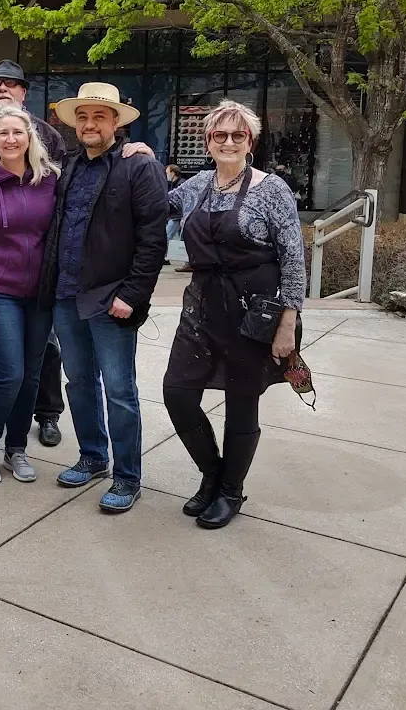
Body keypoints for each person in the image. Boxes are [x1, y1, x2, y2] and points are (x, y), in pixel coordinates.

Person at [164, 99, 305, 529]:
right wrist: (135, 156)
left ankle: (230, 491)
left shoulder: (273, 189)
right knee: (178, 393)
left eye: (237, 135)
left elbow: (294, 261)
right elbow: (149, 206)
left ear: (251, 141)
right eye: (219, 135)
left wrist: (287, 327)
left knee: (242, 405)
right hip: (203, 305)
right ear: (207, 141)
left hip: (253, 311)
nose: (228, 141)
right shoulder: (196, 185)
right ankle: (212, 474)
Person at [41, 83, 169, 512]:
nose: (90, 124)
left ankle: (127, 477)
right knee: (78, 383)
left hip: (111, 299)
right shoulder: (68, 166)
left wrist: (132, 295)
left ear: (116, 122)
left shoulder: (139, 168)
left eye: (100, 116)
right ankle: (93, 456)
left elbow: (153, 241)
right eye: (83, 117)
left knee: (119, 390)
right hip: (64, 296)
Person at [0, 59, 67, 446]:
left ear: (24, 93)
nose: (3, 90)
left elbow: (69, 193)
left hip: (38, 281)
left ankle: (47, 412)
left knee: (42, 355)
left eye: (11, 84)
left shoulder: (50, 137)